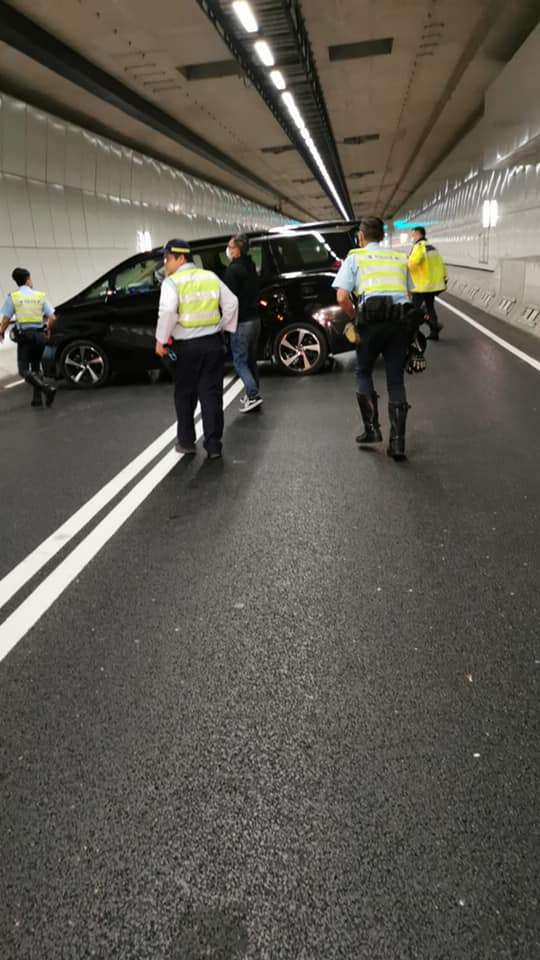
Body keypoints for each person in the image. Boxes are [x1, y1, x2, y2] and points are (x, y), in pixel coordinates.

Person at [333, 217, 421, 461]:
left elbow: (341, 297)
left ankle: (372, 430)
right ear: (382, 235)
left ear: (361, 236)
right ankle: (398, 443)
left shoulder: (355, 257)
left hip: (370, 323)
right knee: (395, 380)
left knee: (363, 372)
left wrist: (355, 317)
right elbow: (409, 294)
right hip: (399, 324)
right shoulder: (399, 257)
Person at [155, 239, 238, 460]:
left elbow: (168, 312)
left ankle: (186, 442)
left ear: (181, 258)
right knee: (211, 396)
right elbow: (232, 303)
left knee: (185, 395)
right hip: (212, 345)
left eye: (167, 259)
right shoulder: (210, 277)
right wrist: (222, 327)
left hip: (186, 348)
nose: (165, 264)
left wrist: (161, 341)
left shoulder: (172, 283)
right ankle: (214, 446)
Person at [0, 268, 56, 407]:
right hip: (40, 336)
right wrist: (47, 329)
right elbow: (52, 317)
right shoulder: (40, 295)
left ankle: (46, 389)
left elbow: (6, 319)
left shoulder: (13, 297)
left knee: (23, 370)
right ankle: (37, 399)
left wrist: (1, 332)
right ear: (28, 279)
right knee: (36, 367)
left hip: (25, 337)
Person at [223, 234, 263, 412]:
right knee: (251, 360)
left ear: (237, 250)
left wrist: (225, 322)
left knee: (239, 361)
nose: (228, 250)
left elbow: (229, 300)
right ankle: (252, 393)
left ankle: (253, 395)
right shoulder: (250, 265)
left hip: (241, 322)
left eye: (230, 247)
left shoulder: (232, 271)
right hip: (255, 320)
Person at [408, 226, 447, 340]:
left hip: (421, 286)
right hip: (433, 285)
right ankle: (434, 332)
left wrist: (406, 261)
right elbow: (441, 264)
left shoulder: (419, 247)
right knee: (430, 307)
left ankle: (413, 335)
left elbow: (412, 264)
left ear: (418, 234)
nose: (412, 237)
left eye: (413, 234)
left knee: (414, 310)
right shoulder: (432, 247)